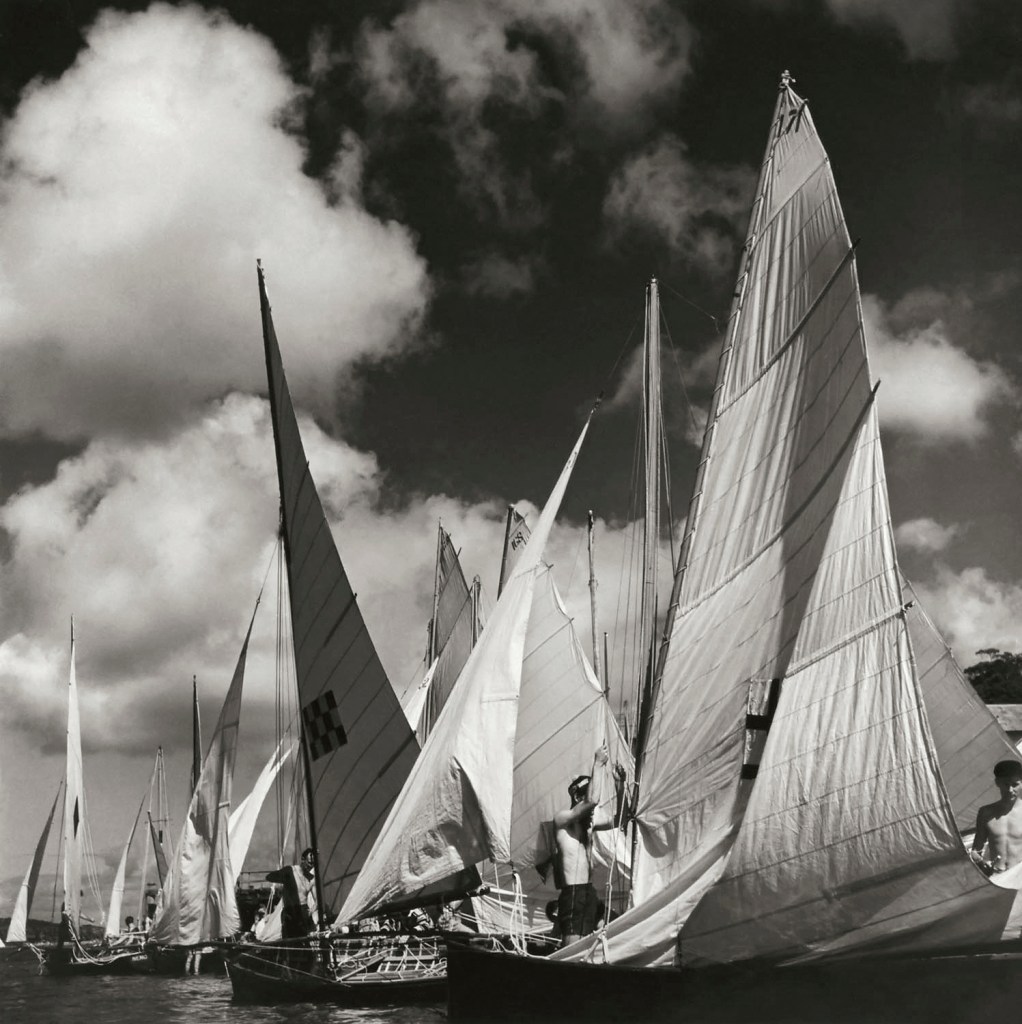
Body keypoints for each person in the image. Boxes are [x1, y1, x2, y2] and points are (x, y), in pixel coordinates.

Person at [553, 747, 626, 947]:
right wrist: (598, 764)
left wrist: (620, 787)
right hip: (573, 892)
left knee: (613, 924)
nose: (594, 808)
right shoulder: (562, 821)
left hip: (587, 891)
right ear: (578, 798)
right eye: (585, 798)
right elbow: (592, 800)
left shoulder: (588, 825)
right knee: (571, 947)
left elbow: (621, 820)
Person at [971, 759, 1022, 875]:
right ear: (997, 782)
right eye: (1006, 784)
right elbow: (976, 851)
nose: (1010, 790)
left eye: (1015, 784)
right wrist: (981, 862)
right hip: (996, 878)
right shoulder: (985, 813)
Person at [266, 847, 317, 939]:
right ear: (302, 859)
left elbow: (318, 900)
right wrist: (283, 879)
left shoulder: (311, 878)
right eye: (309, 863)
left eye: (313, 864)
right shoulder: (290, 871)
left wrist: (311, 911)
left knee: (305, 941)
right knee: (290, 942)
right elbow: (269, 877)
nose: (310, 866)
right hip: (290, 912)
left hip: (303, 912)